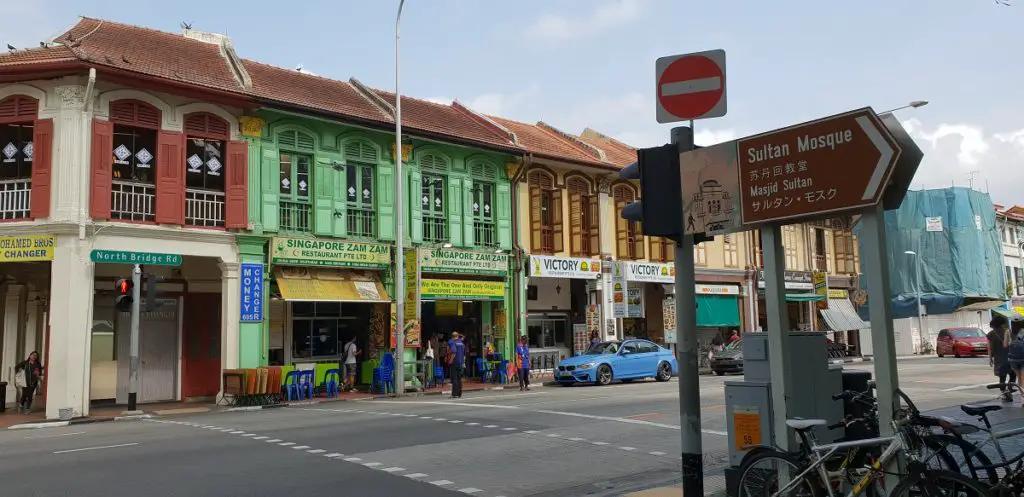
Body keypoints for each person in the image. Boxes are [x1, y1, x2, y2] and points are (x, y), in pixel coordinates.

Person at [989, 315, 1015, 402]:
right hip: (1009, 357)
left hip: (998, 358)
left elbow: (989, 347)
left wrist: (990, 358)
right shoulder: (1007, 331)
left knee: (1002, 377)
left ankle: (1004, 392)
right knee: (1012, 374)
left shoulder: (990, 334)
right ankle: (1009, 390)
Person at [447, 331, 466, 399]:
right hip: (461, 363)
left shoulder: (453, 343)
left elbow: (454, 353)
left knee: (454, 378)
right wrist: (463, 363)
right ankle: (459, 394)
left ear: (452, 336)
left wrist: (450, 361)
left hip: (455, 363)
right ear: (458, 336)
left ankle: (454, 394)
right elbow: (464, 355)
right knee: (459, 379)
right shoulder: (462, 343)